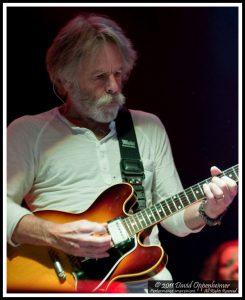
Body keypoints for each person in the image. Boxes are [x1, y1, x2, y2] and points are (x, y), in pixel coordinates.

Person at [7, 13, 238, 293]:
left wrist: (208, 209)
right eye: (100, 76)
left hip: (148, 284)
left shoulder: (147, 127)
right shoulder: (28, 132)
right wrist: (53, 235)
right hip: (63, 283)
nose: (114, 87)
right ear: (64, 80)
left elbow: (175, 221)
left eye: (118, 73)